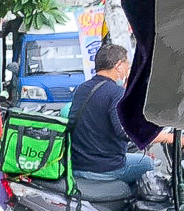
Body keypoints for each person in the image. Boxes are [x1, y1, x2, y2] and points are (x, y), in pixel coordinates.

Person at [69, 44, 175, 184]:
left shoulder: (82, 89)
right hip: (103, 169)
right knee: (148, 163)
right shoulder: (116, 93)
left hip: (77, 165)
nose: (127, 71)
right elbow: (128, 132)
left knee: (137, 158)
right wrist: (169, 138)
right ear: (119, 65)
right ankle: (132, 205)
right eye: (127, 65)